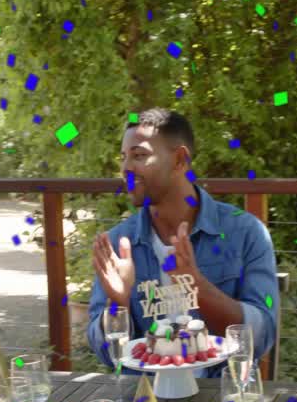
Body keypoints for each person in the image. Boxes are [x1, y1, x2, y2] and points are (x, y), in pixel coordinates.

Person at [87, 107, 279, 379]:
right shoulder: (120, 243)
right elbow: (107, 355)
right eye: (123, 157)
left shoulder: (245, 232)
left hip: (222, 395)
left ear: (179, 160)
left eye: (139, 155)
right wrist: (118, 303)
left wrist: (197, 287)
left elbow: (262, 337)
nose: (126, 168)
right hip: (145, 399)